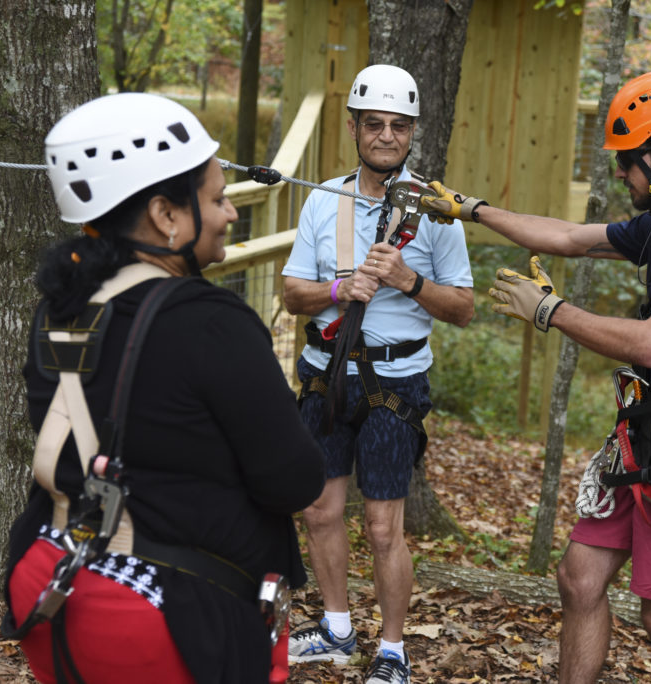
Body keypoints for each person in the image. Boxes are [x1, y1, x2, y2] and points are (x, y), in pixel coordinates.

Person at [420, 70, 651, 683]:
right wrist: (472, 210)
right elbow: (566, 238)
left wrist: (550, 311)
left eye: (628, 160)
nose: (619, 173)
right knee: (580, 578)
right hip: (645, 436)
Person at [2, 92, 326, 684]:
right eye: (217, 197)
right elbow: (295, 480)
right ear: (165, 215)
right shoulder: (209, 321)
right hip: (164, 613)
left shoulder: (62, 307)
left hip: (53, 580)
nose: (230, 213)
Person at [281, 64, 474, 684]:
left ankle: (392, 650)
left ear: (412, 131)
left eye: (397, 126)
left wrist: (407, 280)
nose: (386, 136)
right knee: (319, 509)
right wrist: (340, 287)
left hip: (395, 381)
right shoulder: (324, 198)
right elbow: (290, 294)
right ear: (355, 128)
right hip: (325, 374)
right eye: (374, 124)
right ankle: (337, 628)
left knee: (385, 525)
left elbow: (464, 308)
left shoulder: (437, 212)